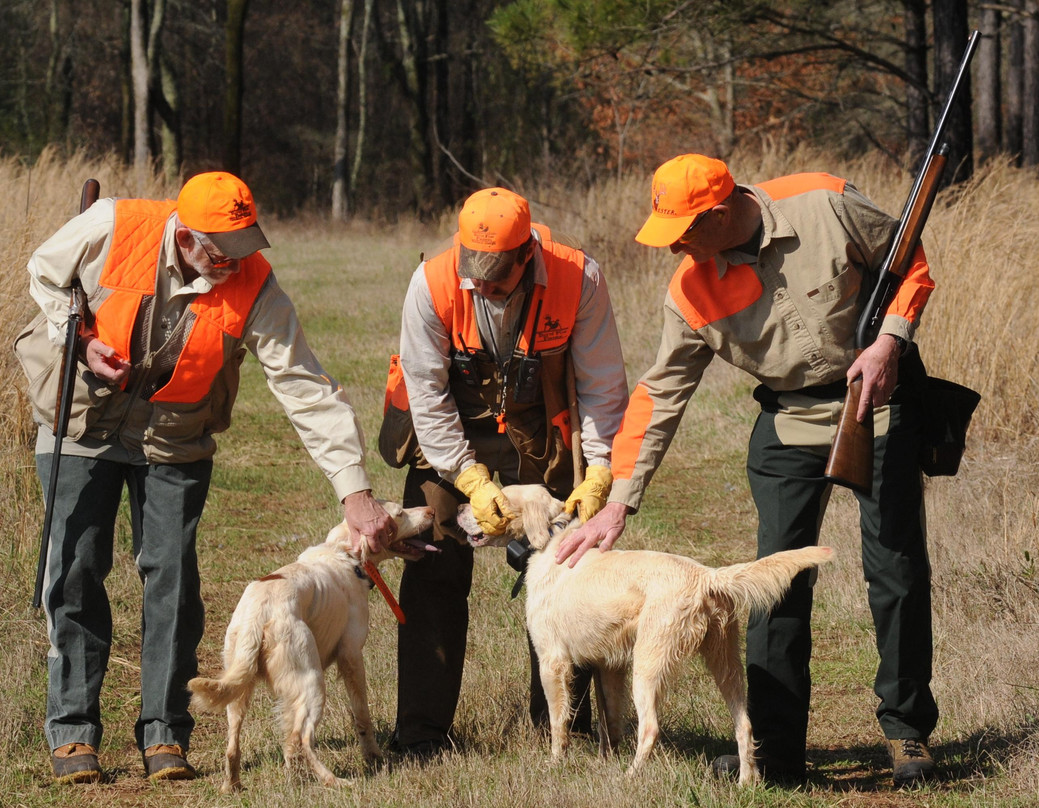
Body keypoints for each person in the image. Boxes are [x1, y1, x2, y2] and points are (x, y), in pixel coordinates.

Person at [557, 155, 938, 788]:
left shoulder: (825, 202)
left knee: (895, 569)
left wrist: (889, 340)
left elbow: (911, 260)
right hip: (787, 422)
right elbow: (661, 393)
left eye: (683, 230)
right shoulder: (689, 289)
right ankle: (774, 751)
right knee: (771, 585)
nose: (674, 245)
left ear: (720, 210)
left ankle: (907, 733)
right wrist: (620, 500)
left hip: (877, 402)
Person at [15, 171, 397, 784]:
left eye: (243, 249)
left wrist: (354, 491)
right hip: (81, 421)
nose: (231, 265)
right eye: (219, 251)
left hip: (174, 438)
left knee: (172, 579)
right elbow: (43, 270)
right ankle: (72, 732)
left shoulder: (254, 285)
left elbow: (304, 387)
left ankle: (166, 733)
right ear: (183, 233)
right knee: (77, 569)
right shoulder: (114, 224)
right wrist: (79, 337)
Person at [380, 187, 629, 756]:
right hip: (451, 439)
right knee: (433, 569)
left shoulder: (579, 278)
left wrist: (598, 471)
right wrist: (468, 479)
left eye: (497, 276)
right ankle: (420, 735)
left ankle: (566, 731)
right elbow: (427, 394)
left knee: (571, 567)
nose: (483, 286)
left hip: (543, 436)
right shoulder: (434, 282)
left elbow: (601, 386)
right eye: (476, 273)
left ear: (527, 256)